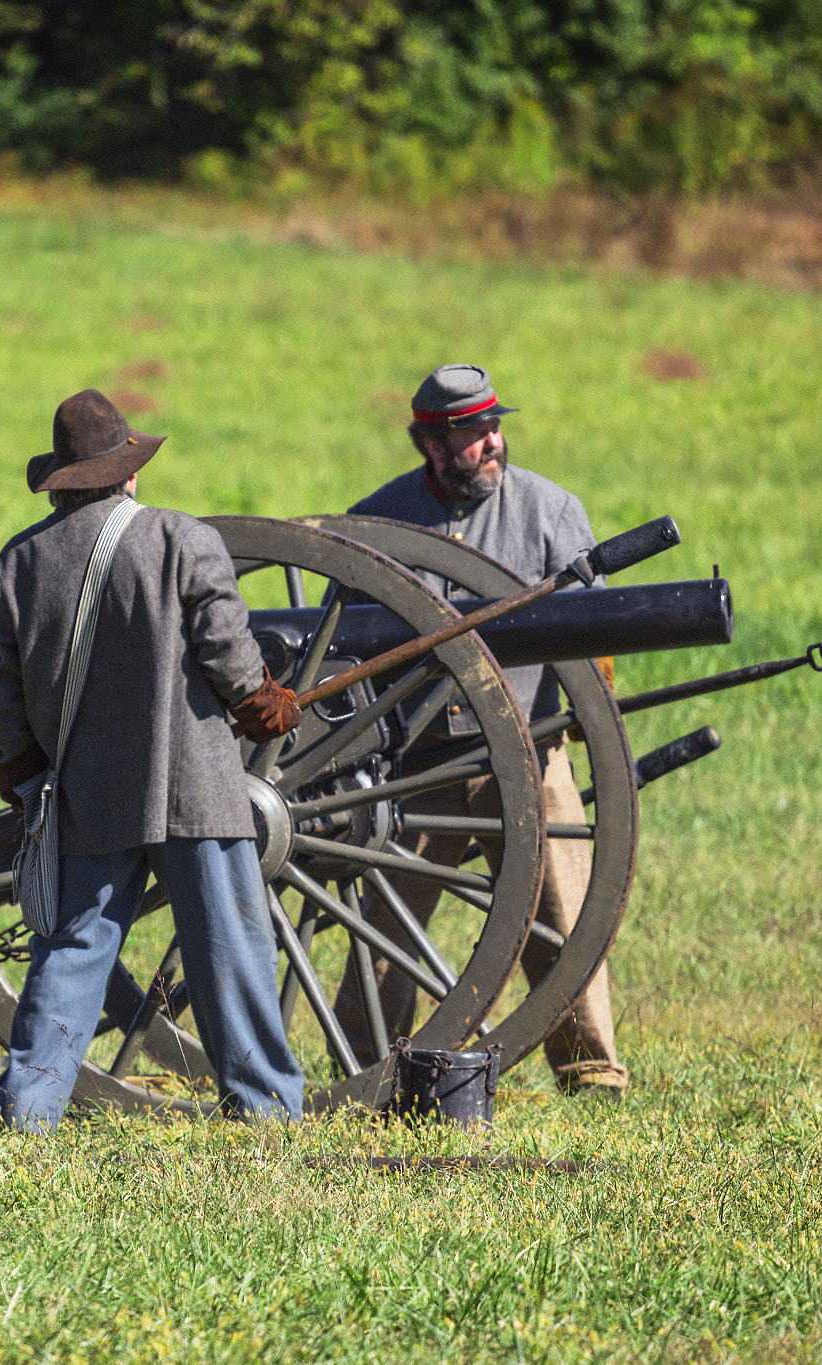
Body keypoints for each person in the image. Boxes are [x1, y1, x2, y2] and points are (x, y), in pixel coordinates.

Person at [0, 389, 306, 1132]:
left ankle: (28, 1113)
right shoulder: (181, 540)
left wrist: (31, 776)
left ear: (63, 479)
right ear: (129, 473)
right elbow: (227, 654)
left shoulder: (20, 564)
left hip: (90, 798)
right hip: (196, 789)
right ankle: (264, 1111)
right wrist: (263, 703)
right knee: (230, 955)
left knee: (72, 951)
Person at [335, 362, 630, 1097]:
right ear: (430, 445)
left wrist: (583, 731)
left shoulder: (550, 511)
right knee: (389, 924)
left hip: (530, 750)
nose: (492, 443)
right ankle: (366, 1061)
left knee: (562, 914)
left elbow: (598, 643)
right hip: (422, 761)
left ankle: (589, 1064)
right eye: (471, 434)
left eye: (495, 428)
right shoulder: (380, 519)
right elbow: (339, 647)